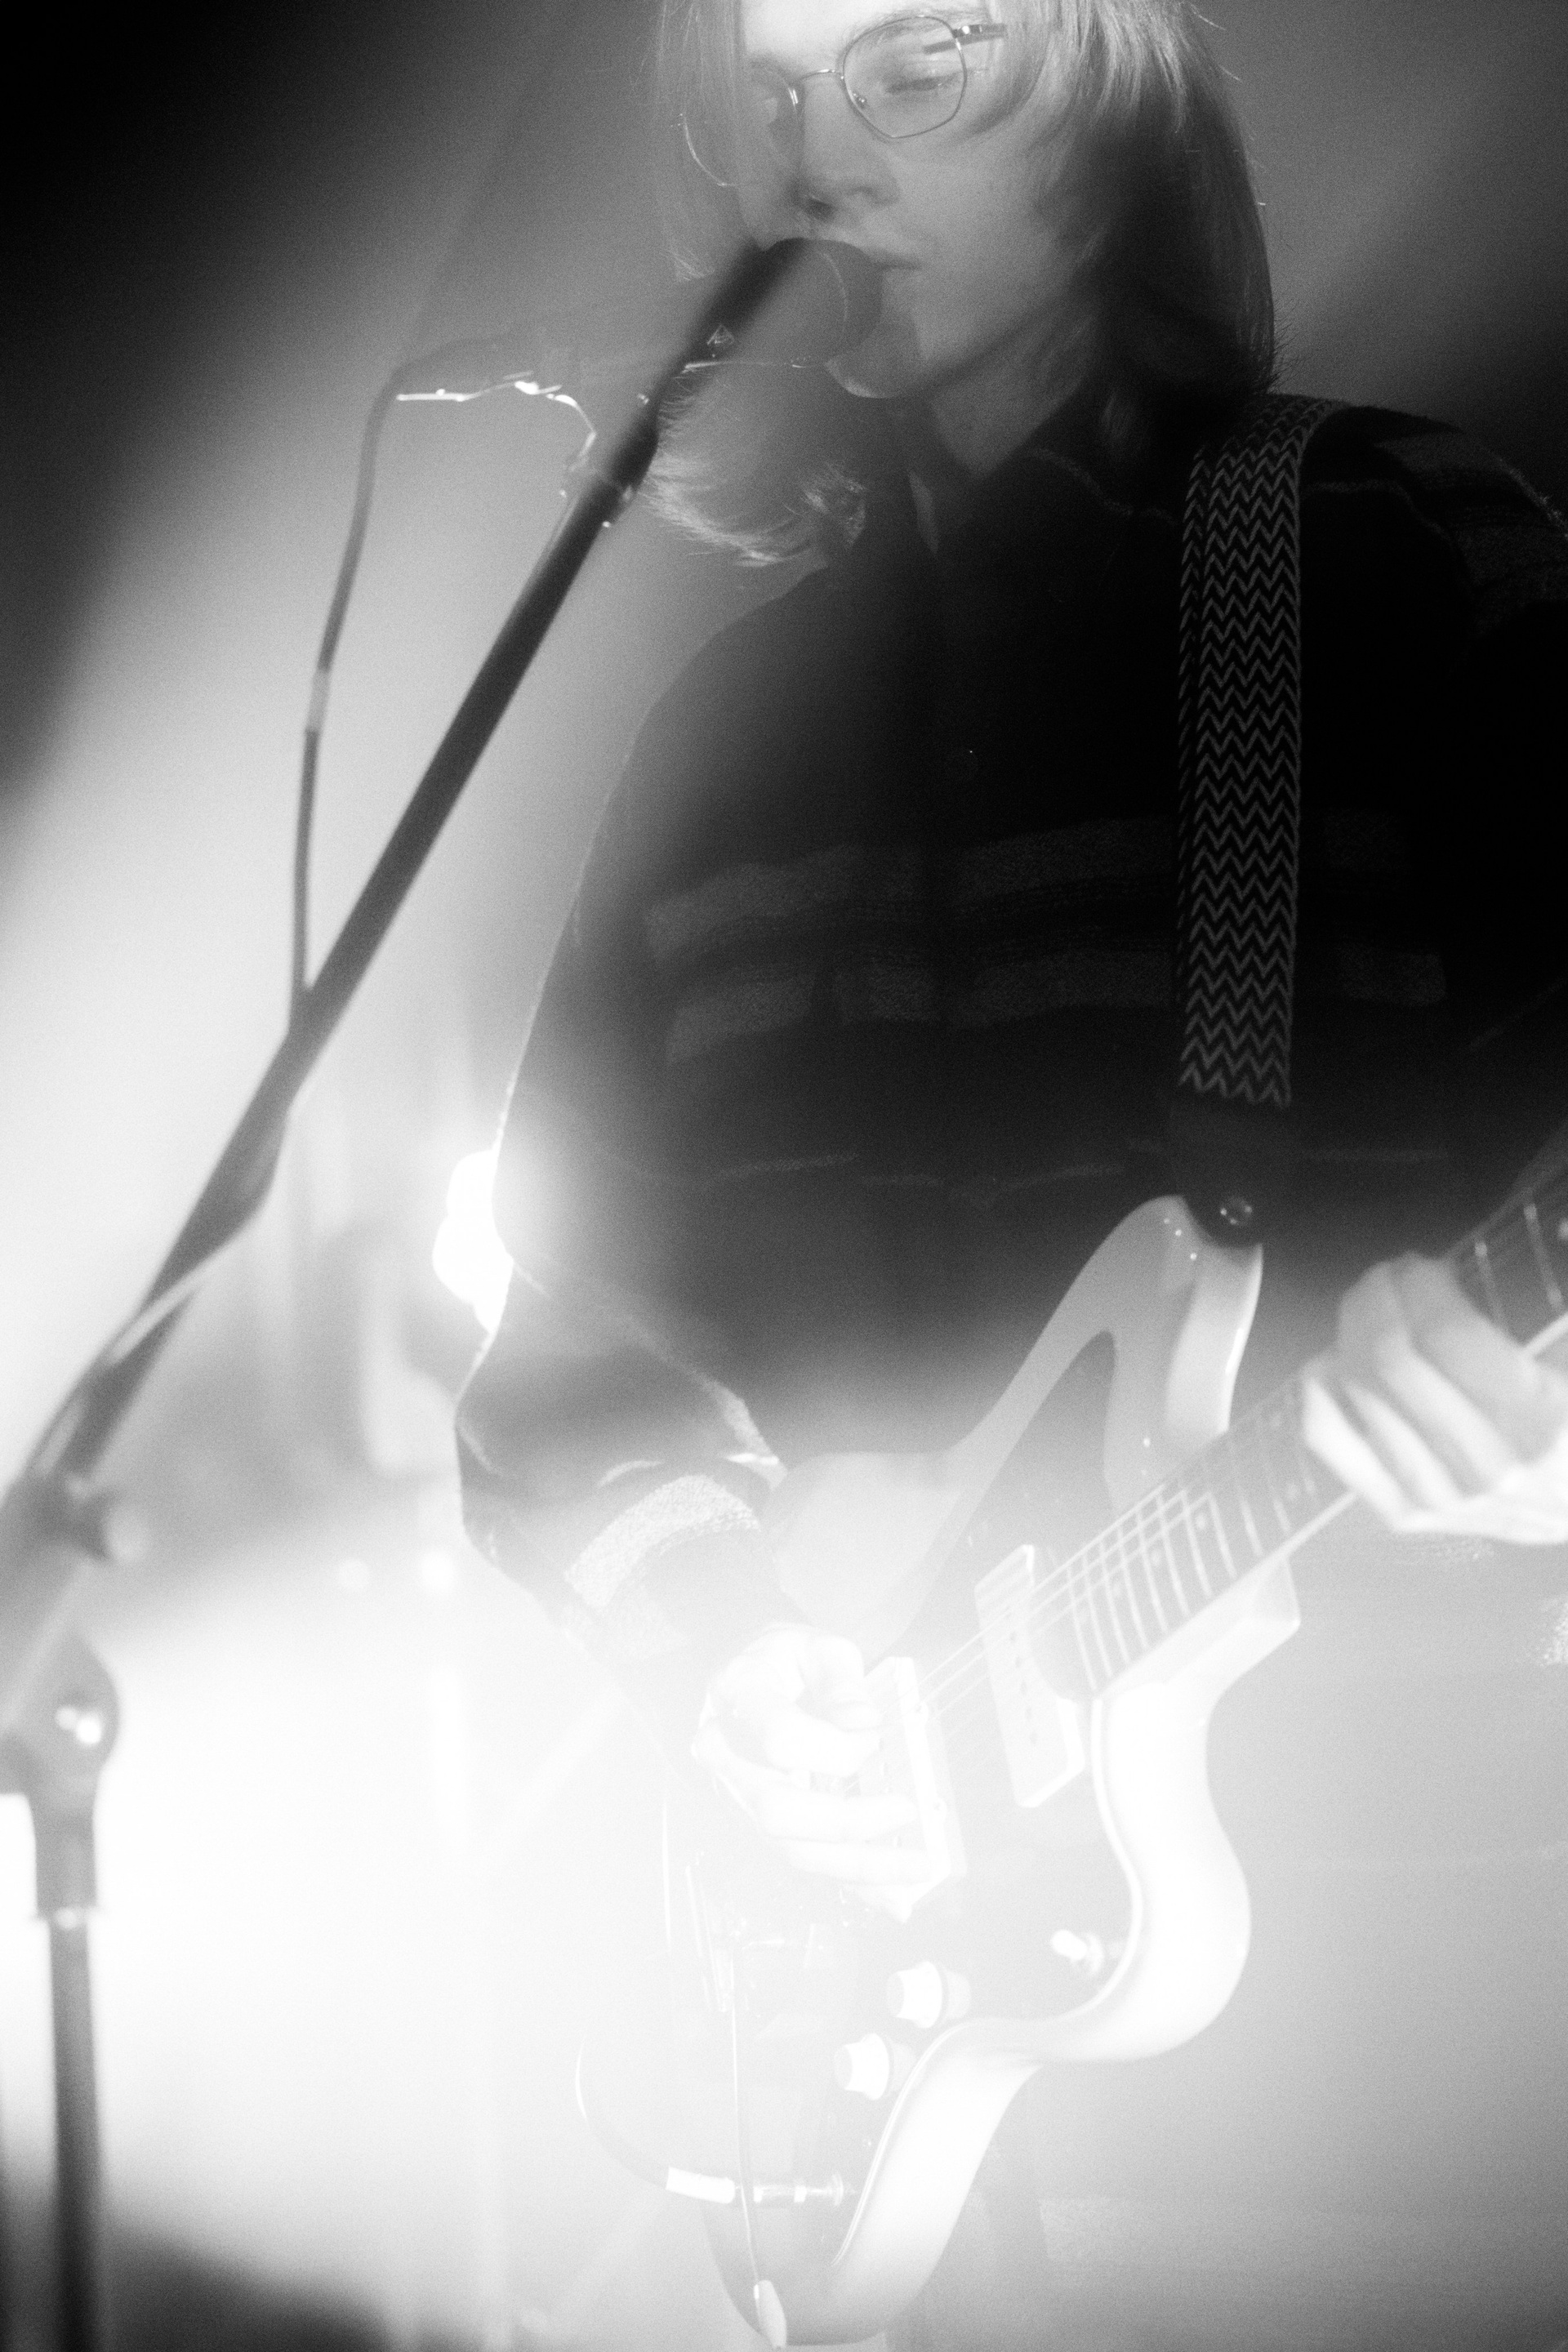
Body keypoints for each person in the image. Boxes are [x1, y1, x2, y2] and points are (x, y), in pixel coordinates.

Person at [459, 0, 1568, 2332]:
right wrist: (722, 1638)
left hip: (1409, 2064)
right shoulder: (714, 734)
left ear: (1120, 100)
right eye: (771, 103)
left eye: (916, 67)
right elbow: (553, 1365)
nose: (821, 160)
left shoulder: (1396, 562)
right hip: (893, 2081)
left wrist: (1543, 1444)